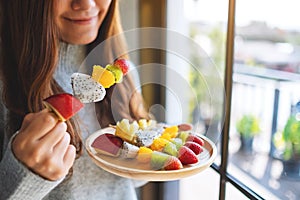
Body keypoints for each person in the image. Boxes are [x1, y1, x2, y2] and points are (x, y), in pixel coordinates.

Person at [0, 0, 150, 199]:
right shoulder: (4, 84)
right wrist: (21, 177)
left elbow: (132, 180)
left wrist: (152, 155)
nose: (86, 4)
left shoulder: (124, 71)